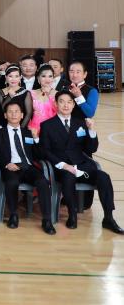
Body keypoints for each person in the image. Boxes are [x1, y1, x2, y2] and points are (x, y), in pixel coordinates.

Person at [40, 91, 123, 233]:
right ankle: (72, 215)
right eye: (62, 101)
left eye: (69, 102)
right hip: (61, 167)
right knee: (68, 177)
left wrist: (91, 130)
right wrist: (64, 165)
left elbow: (91, 148)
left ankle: (108, 218)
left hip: (82, 165)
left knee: (104, 177)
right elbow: (45, 151)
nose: (66, 105)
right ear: (56, 104)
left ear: (73, 105)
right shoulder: (47, 125)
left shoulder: (81, 123)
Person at [0, 101, 56, 234]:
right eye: (10, 112)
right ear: (5, 115)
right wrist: (7, 163)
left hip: (28, 167)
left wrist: (36, 138)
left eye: (16, 111)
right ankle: (13, 215)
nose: (13, 114)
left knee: (43, 182)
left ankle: (47, 219)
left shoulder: (28, 133)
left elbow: (39, 155)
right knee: (12, 182)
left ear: (22, 115)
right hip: (11, 166)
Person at [28, 64, 57, 133]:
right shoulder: (31, 93)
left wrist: (49, 95)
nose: (47, 79)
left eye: (50, 76)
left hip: (53, 129)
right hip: (34, 129)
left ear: (53, 78)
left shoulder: (58, 94)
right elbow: (27, 113)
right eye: (43, 76)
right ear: (38, 78)